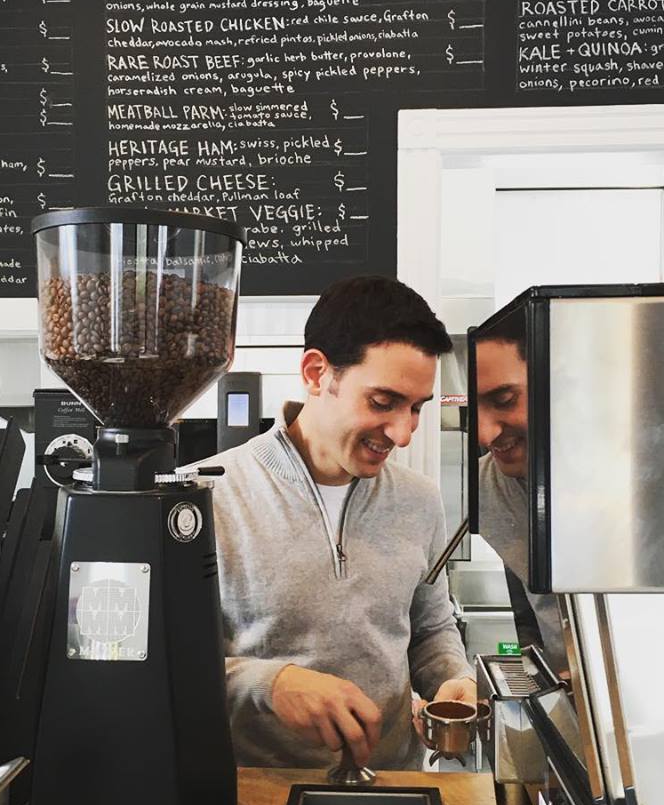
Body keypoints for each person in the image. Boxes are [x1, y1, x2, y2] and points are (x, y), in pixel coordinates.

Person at [206, 276, 475, 770]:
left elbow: (430, 626)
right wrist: (270, 683)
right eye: (382, 402)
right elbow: (161, 669)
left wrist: (453, 678)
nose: (402, 433)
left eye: (415, 409)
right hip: (254, 801)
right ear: (316, 373)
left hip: (393, 786)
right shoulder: (210, 497)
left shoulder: (420, 501)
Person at [473, 312, 566, 673]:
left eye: (505, 399)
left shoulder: (634, 482)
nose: (485, 435)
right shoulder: (488, 487)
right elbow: (525, 612)